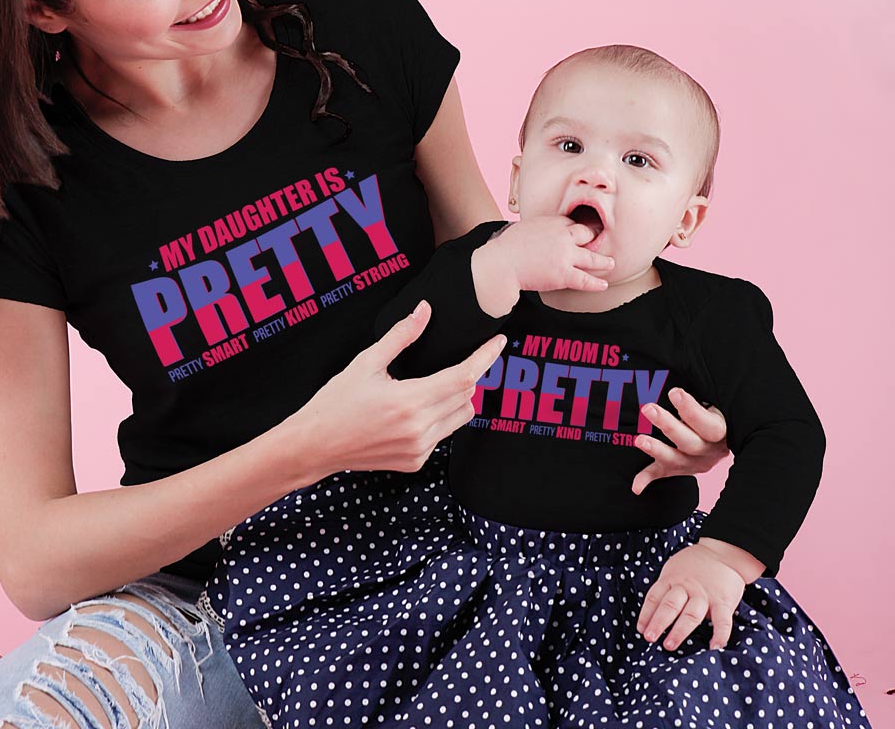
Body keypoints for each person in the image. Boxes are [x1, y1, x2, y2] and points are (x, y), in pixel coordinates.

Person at [0, 0, 730, 729]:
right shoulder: (18, 188)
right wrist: (306, 447)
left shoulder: (370, 38)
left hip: (462, 556)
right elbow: (35, 556)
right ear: (41, 7)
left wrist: (653, 406)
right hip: (218, 599)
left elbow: (514, 291)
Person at [213, 46, 872, 728]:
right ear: (519, 180)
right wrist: (493, 272)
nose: (597, 174)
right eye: (570, 144)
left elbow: (788, 434)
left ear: (685, 220)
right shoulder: (477, 269)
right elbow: (394, 361)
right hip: (479, 566)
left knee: (687, 698)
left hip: (639, 575)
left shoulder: (711, 316)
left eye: (638, 161)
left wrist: (724, 557)